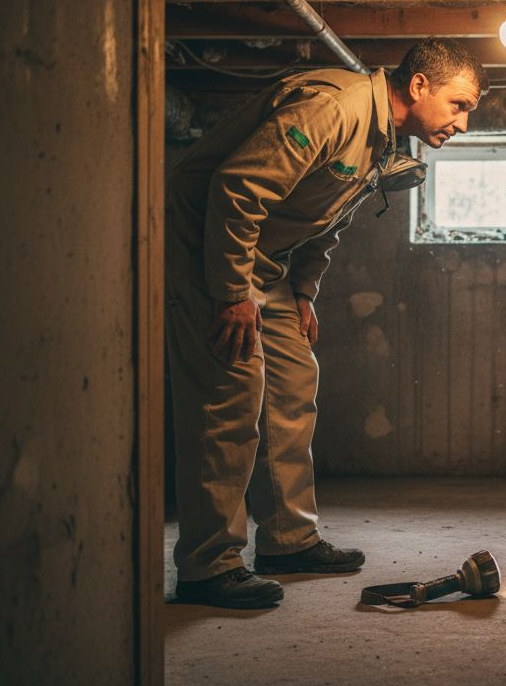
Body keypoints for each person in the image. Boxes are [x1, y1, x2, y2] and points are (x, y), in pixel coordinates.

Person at [165, 38, 487, 609]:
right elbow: (238, 187)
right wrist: (232, 291)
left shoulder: (384, 143)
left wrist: (303, 292)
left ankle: (289, 540)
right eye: (459, 104)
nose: (463, 122)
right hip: (207, 248)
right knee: (230, 396)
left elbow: (326, 222)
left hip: (269, 263)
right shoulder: (334, 109)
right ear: (418, 86)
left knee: (292, 386)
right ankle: (206, 564)